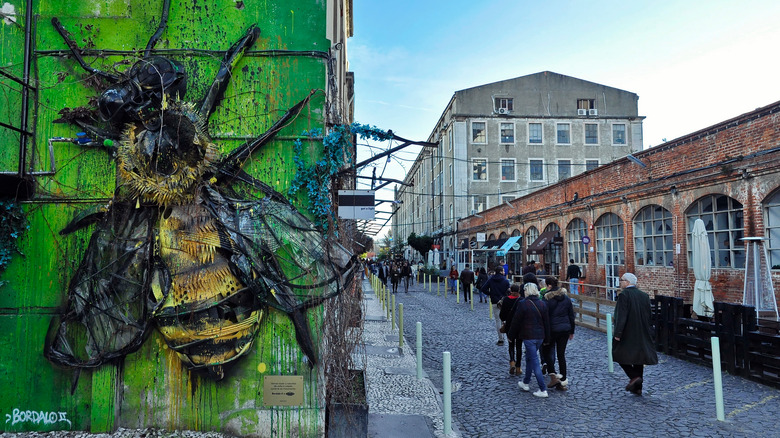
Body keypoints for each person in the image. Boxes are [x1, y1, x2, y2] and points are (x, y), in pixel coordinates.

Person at [613, 273, 658, 396]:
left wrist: (618, 333)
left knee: (618, 353)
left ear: (627, 282)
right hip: (642, 331)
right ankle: (638, 388)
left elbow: (621, 315)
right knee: (639, 358)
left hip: (628, 331)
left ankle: (634, 377)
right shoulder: (644, 296)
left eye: (621, 280)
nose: (620, 282)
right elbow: (649, 314)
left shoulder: (624, 295)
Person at [508, 282, 551, 398]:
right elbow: (547, 322)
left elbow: (516, 321)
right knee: (529, 359)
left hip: (529, 336)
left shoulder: (523, 304)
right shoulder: (542, 304)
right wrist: (547, 337)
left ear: (527, 291)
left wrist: (511, 335)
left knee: (534, 362)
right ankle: (525, 382)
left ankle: (543, 389)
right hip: (540, 336)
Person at [542, 277, 574, 390]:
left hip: (552, 329)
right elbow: (571, 315)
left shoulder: (547, 298)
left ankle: (553, 375)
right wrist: (572, 331)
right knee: (561, 354)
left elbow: (544, 316)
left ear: (549, 285)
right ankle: (563, 379)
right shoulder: (565, 298)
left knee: (547, 352)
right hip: (565, 329)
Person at [480, 268, 511, 345]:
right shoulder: (505, 281)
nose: (504, 272)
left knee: (498, 320)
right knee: (505, 320)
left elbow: (483, 288)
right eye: (503, 271)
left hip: (495, 301)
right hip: (504, 301)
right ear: (500, 271)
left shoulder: (491, 280)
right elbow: (509, 291)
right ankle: (508, 337)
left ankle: (500, 339)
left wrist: (491, 293)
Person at [499, 283, 523, 375]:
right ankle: (518, 367)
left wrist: (504, 320)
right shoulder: (521, 300)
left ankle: (512, 361)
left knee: (511, 345)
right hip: (520, 326)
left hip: (509, 325)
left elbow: (502, 315)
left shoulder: (506, 300)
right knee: (519, 346)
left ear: (511, 290)